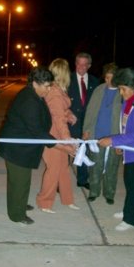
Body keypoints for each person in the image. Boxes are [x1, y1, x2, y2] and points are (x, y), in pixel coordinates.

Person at [0, 67, 76, 225]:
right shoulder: (29, 101)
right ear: (35, 83)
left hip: (23, 147)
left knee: (23, 180)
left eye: (49, 85)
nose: (48, 89)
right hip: (16, 150)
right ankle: (17, 215)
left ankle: (20, 203)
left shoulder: (34, 94)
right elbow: (39, 132)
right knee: (19, 181)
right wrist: (64, 147)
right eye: (46, 86)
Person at [98, 67, 134, 231]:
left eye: (123, 89)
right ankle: (127, 211)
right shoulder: (129, 102)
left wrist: (113, 140)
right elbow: (124, 127)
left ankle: (131, 220)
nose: (121, 93)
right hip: (131, 152)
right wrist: (120, 145)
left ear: (133, 86)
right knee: (130, 184)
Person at [36, 58, 79, 213]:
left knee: (63, 168)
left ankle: (67, 200)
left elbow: (59, 111)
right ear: (64, 73)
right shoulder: (54, 92)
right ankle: (44, 202)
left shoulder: (57, 90)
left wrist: (69, 113)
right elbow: (58, 118)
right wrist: (67, 139)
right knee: (54, 169)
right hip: (54, 135)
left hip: (56, 132)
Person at [83, 63, 122, 204]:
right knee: (95, 165)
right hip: (97, 135)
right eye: (106, 78)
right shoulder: (99, 90)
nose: (108, 81)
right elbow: (90, 111)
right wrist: (86, 130)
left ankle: (109, 193)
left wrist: (122, 141)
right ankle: (94, 191)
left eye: (111, 78)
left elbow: (125, 119)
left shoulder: (122, 93)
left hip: (114, 136)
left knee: (112, 166)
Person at [68, 52, 99, 190]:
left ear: (89, 66)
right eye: (78, 64)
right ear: (75, 64)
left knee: (83, 151)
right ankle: (60, 180)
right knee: (66, 151)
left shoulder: (94, 81)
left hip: (87, 123)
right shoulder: (67, 79)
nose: (81, 67)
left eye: (84, 64)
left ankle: (82, 179)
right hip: (70, 122)